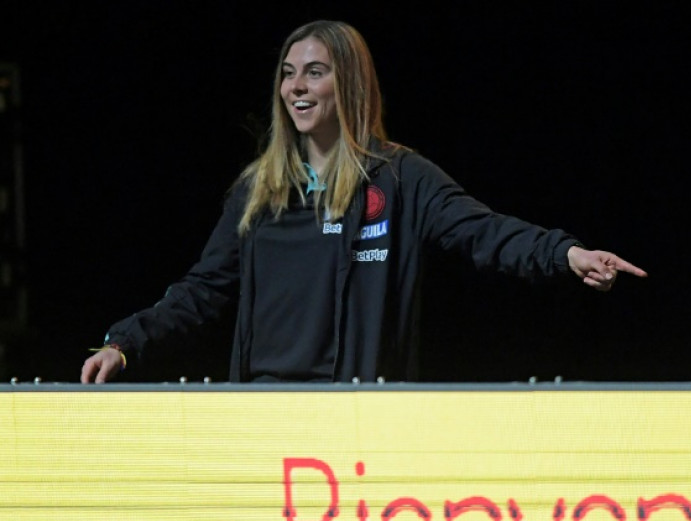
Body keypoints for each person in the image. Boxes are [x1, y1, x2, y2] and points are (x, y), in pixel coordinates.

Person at [80, 19, 647, 384]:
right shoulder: (259, 191)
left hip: (358, 414)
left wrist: (565, 254)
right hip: (263, 410)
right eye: (288, 74)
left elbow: (483, 231)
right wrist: (124, 343)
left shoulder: (399, 178)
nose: (296, 87)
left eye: (315, 73)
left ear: (348, 83)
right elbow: (201, 290)